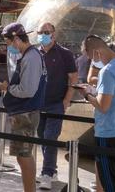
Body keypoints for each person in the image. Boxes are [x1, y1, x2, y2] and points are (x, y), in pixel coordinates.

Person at [77, 35, 115, 192]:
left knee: (109, 182)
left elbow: (103, 106)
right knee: (113, 178)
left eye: (90, 57)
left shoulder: (107, 71)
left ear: (95, 52)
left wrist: (87, 95)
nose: (92, 62)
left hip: (108, 132)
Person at [0, 23, 47, 192]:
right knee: (22, 155)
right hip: (23, 112)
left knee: (24, 155)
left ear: (17, 39)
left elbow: (27, 90)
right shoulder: (29, 55)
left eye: (9, 43)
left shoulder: (31, 57)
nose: (9, 47)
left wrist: (8, 88)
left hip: (26, 112)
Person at [34, 22, 77, 190]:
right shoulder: (34, 53)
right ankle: (52, 170)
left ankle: (46, 173)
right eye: (40, 32)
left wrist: (66, 101)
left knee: (50, 138)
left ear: (54, 34)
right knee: (42, 138)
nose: (43, 34)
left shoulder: (65, 54)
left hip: (56, 104)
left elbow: (73, 78)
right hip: (38, 104)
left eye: (46, 32)